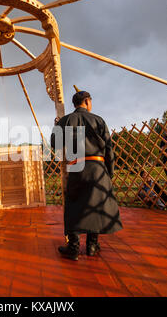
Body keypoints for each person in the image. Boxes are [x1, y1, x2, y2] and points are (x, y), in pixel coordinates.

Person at [51, 90, 123, 261]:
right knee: (96, 206)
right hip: (98, 168)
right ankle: (92, 246)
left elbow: (55, 143)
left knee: (74, 204)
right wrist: (109, 173)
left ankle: (74, 248)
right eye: (91, 101)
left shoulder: (67, 120)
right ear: (86, 101)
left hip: (77, 167)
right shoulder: (99, 120)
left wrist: (57, 125)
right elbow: (109, 150)